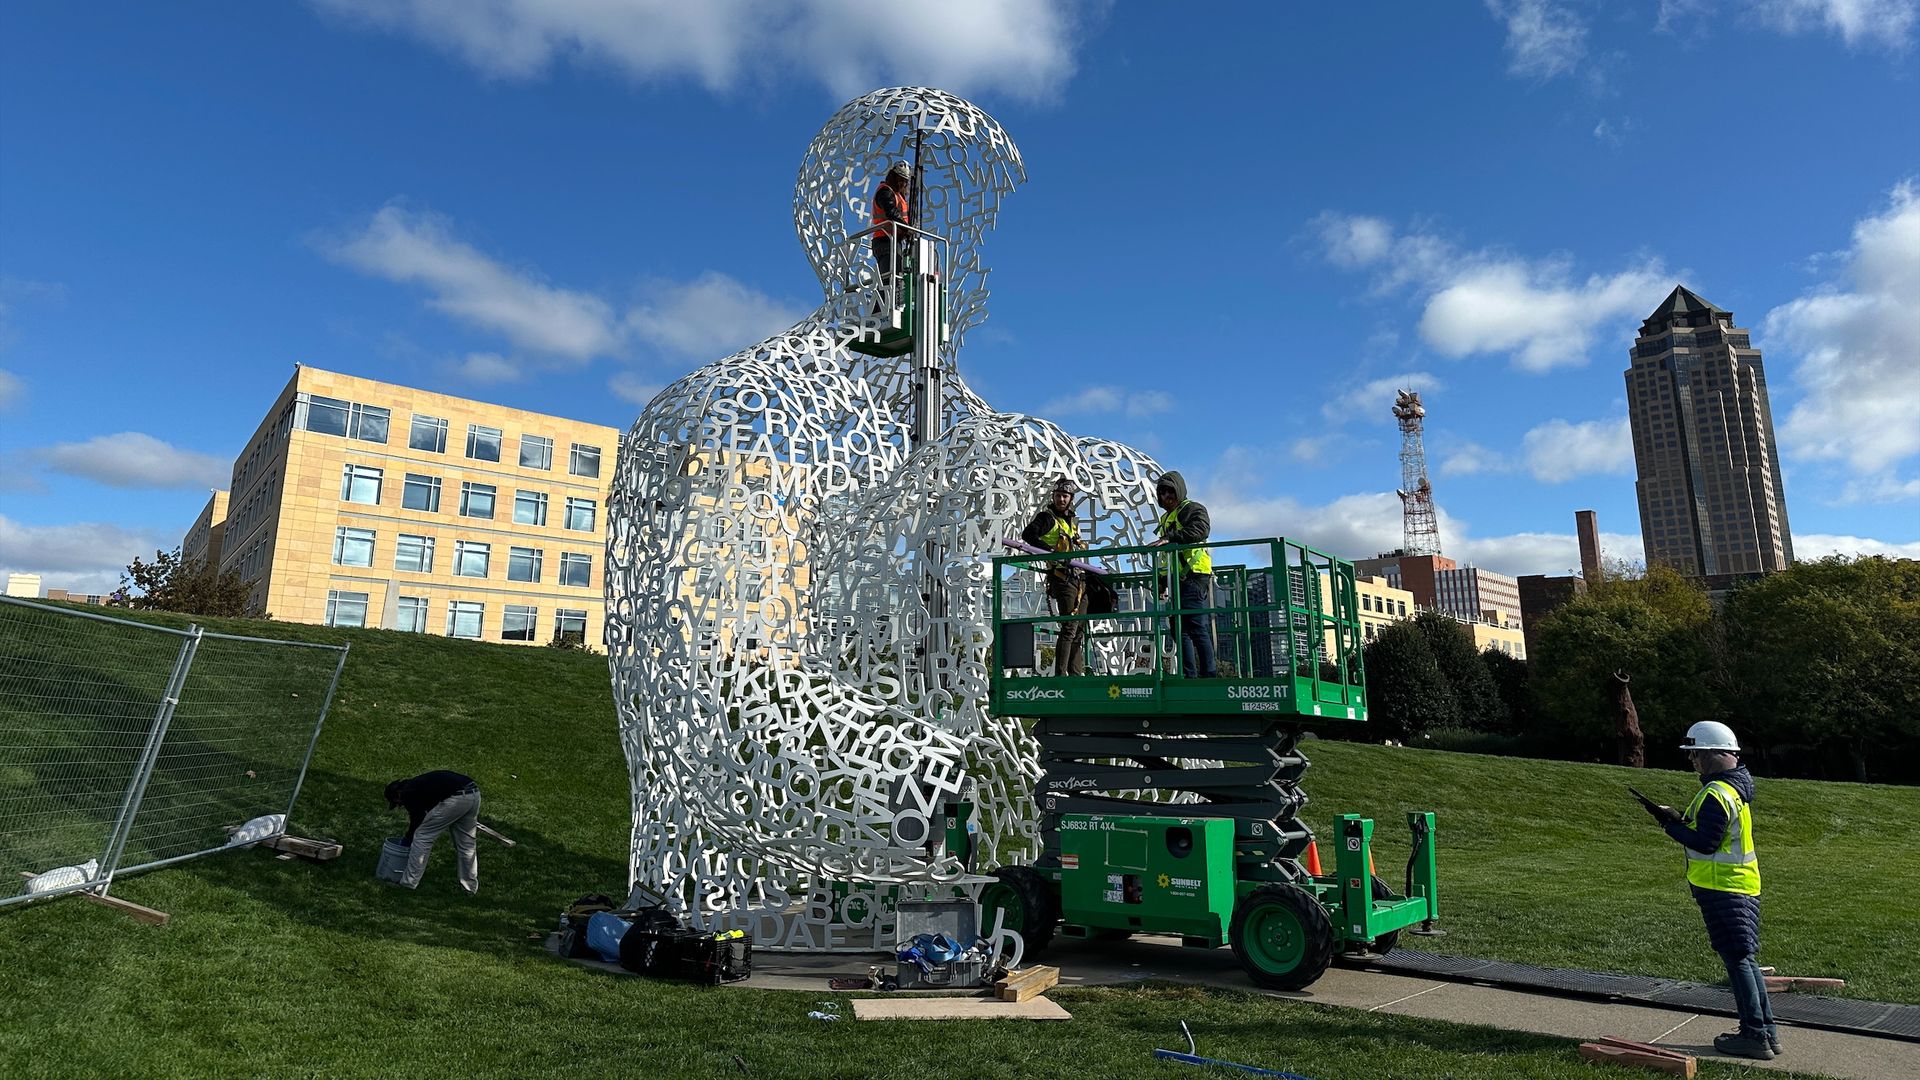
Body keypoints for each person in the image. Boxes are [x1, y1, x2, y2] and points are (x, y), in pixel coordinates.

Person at [1640, 722, 1778, 1060]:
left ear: (1715, 754)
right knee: (1744, 958)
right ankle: (1765, 1033)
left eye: (1696, 755)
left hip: (1724, 887)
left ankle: (1755, 1035)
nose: (1693, 762)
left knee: (1739, 961)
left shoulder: (1718, 793)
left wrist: (1668, 824)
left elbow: (1705, 842)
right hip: (1736, 885)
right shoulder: (1732, 789)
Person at [1146, 471, 1216, 678]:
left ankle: (1208, 676)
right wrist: (1160, 582)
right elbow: (1166, 558)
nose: (1166, 497)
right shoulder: (1166, 517)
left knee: (1196, 625)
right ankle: (1190, 675)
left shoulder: (1192, 509)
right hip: (1176, 578)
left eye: (1170, 492)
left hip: (1194, 575)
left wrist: (1171, 538)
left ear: (1179, 491)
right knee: (1179, 628)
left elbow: (1201, 530)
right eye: (1162, 493)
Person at [1022, 477, 1087, 676]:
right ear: (1054, 496)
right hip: (1062, 578)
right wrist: (1050, 551)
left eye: (1065, 496)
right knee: (1069, 626)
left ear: (1071, 498)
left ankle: (1076, 674)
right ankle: (1061, 675)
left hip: (1079, 578)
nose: (1061, 500)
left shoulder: (1071, 520)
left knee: (1079, 629)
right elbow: (1028, 535)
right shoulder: (1047, 518)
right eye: (1058, 496)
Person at [386, 770, 481, 894]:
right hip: (474, 793)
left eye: (397, 803)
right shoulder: (419, 784)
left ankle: (408, 883)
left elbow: (417, 819)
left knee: (421, 837)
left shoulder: (407, 793)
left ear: (397, 794)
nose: (400, 805)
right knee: (467, 845)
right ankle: (469, 889)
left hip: (456, 798)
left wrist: (408, 839)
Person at [870, 161, 912, 306]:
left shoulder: (898, 195)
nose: (903, 183)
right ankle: (880, 311)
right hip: (884, 241)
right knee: (888, 279)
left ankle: (895, 305)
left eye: (905, 181)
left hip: (894, 241)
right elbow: (891, 212)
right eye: (900, 179)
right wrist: (907, 228)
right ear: (893, 177)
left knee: (897, 277)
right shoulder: (885, 192)